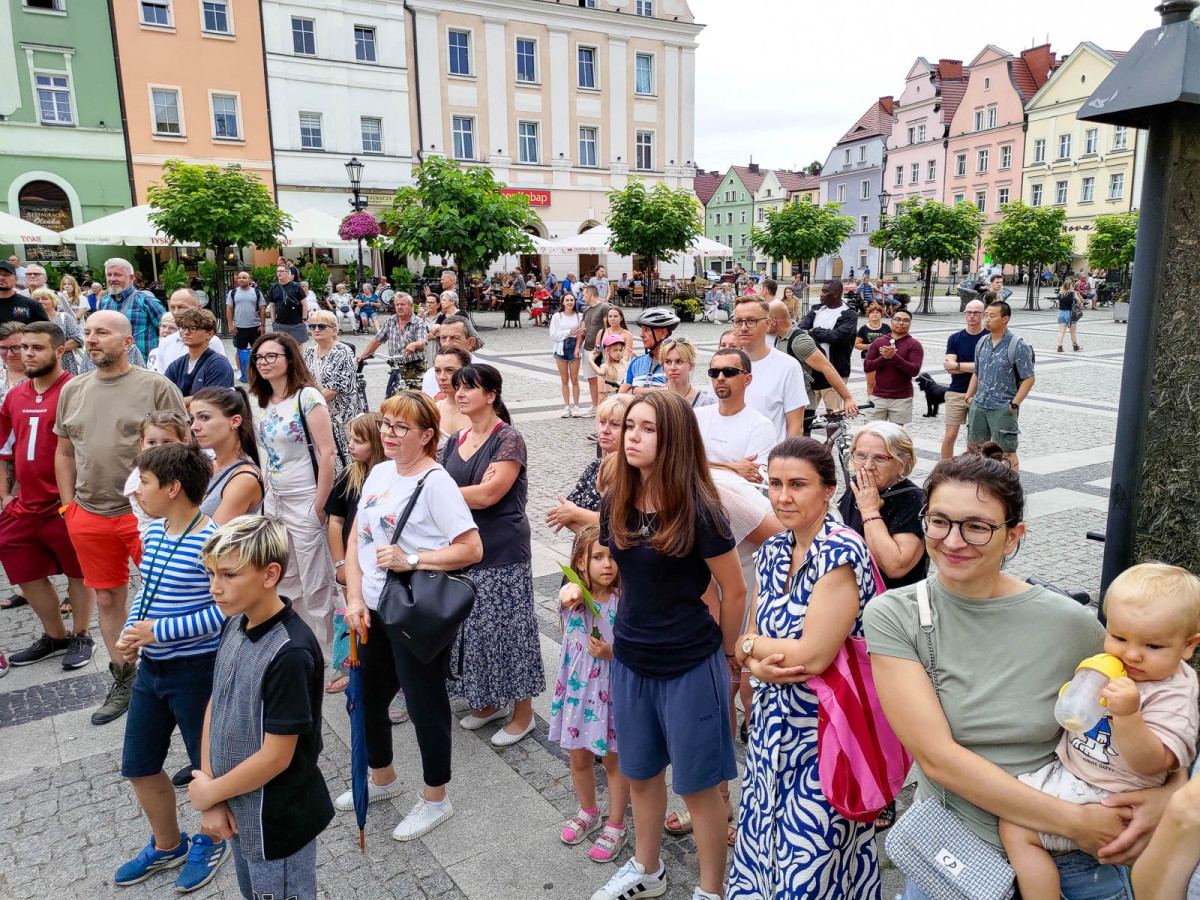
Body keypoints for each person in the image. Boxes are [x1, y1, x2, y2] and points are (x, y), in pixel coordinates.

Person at [865, 448, 1174, 900]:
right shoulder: (895, 614)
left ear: (1012, 537)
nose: (953, 541)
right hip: (955, 856)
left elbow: (1166, 714)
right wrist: (1076, 822)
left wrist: (1167, 797)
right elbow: (937, 758)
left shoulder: (1072, 625)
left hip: (1071, 863)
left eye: (977, 526)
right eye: (939, 521)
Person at [588, 391, 745, 900]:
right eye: (629, 425)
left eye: (646, 428)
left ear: (673, 438)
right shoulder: (617, 499)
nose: (631, 436)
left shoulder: (700, 510)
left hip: (690, 663)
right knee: (640, 773)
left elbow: (733, 589)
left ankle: (710, 891)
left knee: (699, 788)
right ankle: (646, 870)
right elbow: (621, 572)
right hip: (632, 658)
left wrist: (727, 659)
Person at [728, 436, 883, 899]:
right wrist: (755, 657)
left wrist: (753, 651)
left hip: (826, 733)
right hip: (771, 728)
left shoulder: (842, 551)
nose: (783, 496)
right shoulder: (774, 550)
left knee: (815, 856)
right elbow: (742, 642)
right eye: (775, 484)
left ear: (828, 491)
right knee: (764, 843)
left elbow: (813, 655)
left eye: (798, 484)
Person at [1000, 563, 1200, 900]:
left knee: (1017, 827)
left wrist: (1129, 716)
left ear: (1188, 646)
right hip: (1078, 776)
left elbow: (1155, 763)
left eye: (1153, 646)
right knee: (1012, 809)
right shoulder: (1117, 667)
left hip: (1111, 794)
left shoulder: (1173, 693)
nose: (1131, 654)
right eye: (1120, 637)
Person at [340, 392, 483, 840]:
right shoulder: (380, 471)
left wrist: (414, 558)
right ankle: (383, 779)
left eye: (401, 427)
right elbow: (356, 537)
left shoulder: (436, 481)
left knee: (424, 706)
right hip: (372, 608)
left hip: (411, 611)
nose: (389, 433)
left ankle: (436, 798)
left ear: (427, 436)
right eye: (385, 424)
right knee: (363, 697)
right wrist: (355, 598)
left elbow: (471, 548)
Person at [190, 516, 334, 900]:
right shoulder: (234, 624)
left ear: (270, 574)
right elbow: (215, 706)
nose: (215, 587)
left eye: (229, 575)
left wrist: (211, 793)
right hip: (238, 805)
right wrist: (213, 793)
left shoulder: (290, 653)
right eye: (211, 574)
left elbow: (276, 757)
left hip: (276, 821)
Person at [55, 311, 187, 725]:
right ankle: (125, 676)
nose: (92, 339)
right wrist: (66, 507)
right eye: (89, 332)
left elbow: (185, 448)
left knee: (168, 592)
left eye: (103, 333)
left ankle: (178, 675)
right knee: (109, 597)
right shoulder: (73, 390)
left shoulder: (156, 386)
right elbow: (63, 451)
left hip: (146, 516)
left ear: (127, 341)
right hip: (89, 513)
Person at [110, 443, 230, 893]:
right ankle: (167, 844)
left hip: (196, 670)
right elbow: (146, 591)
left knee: (207, 767)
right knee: (139, 764)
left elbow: (225, 610)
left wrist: (160, 632)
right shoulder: (155, 532)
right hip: (153, 671)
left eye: (143, 482)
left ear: (173, 488)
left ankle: (211, 838)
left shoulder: (211, 540)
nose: (137, 491)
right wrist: (130, 633)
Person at [440, 365, 544, 745]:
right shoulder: (456, 439)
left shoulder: (508, 439)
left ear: (491, 395)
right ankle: (488, 701)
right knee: (474, 628)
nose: (461, 392)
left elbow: (489, 494)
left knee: (510, 630)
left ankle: (523, 712)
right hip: (464, 545)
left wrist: (442, 492)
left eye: (470, 387)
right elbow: (440, 480)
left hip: (502, 548)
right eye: (458, 387)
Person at [0, 322, 94, 670]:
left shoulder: (77, 389)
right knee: (23, 566)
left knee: (79, 572)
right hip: (24, 506)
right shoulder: (15, 396)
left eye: (36, 348)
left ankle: (82, 634)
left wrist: (76, 500)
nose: (26, 354)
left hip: (67, 503)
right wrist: (5, 496)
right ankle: (56, 637)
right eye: (23, 347)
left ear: (58, 351)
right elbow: (4, 450)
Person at [248, 333, 339, 687]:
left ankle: (332, 655)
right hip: (277, 501)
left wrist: (320, 504)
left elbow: (327, 452)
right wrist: (267, 490)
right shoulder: (266, 400)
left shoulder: (308, 396)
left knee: (317, 577)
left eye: (272, 356)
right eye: (259, 357)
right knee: (285, 575)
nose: (265, 362)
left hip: (306, 499)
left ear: (289, 358)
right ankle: (301, 646)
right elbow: (270, 452)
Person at [555, 525, 631, 863]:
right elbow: (567, 594)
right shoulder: (575, 602)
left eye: (612, 557)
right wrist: (571, 587)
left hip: (611, 695)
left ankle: (616, 824)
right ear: (581, 564)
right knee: (578, 757)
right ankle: (588, 810)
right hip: (577, 695)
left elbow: (634, 650)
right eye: (597, 557)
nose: (607, 564)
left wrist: (610, 653)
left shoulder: (624, 603)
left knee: (614, 760)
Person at [839, 422, 928, 590]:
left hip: (890, 602)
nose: (867, 466)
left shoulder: (914, 500)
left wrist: (870, 511)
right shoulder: (859, 485)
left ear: (902, 463)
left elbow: (895, 566)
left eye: (880, 458)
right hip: (848, 591)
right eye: (860, 455)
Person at [545, 394, 632, 535]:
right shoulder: (595, 466)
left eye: (615, 424)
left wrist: (576, 513)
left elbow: (618, 524)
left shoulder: (632, 470)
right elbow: (565, 513)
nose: (605, 430)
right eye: (602, 422)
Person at [965, 299, 1035, 470]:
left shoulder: (1017, 345)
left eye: (992, 316)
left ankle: (1010, 489)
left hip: (1003, 407)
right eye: (986, 315)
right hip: (980, 405)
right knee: (976, 451)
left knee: (1007, 452)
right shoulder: (982, 342)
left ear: (1005, 318)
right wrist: (969, 397)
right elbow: (977, 372)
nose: (986, 319)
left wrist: (1014, 404)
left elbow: (1029, 378)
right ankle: (980, 485)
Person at [693, 348, 778, 486]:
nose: (720, 377)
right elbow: (681, 465)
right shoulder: (697, 416)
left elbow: (751, 480)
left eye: (729, 372)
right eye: (714, 373)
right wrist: (731, 468)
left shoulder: (761, 426)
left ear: (747, 379)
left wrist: (702, 466)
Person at [769, 300, 857, 430]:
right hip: (787, 402)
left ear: (773, 321)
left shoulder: (799, 341)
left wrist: (848, 398)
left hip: (802, 406)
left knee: (798, 446)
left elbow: (827, 368)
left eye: (765, 320)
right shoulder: (780, 338)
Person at [732, 297, 808, 441]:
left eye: (751, 321)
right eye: (738, 321)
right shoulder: (724, 366)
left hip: (769, 459)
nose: (743, 327)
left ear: (768, 324)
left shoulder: (788, 367)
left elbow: (795, 427)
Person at [190, 386, 263, 524]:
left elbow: (211, 537)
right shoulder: (208, 464)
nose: (194, 426)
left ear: (235, 421)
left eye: (204, 417)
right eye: (192, 418)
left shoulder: (244, 478)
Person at [302, 310, 360, 467]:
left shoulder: (343, 352)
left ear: (334, 330)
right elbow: (304, 382)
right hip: (319, 415)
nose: (316, 330)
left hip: (341, 417)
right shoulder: (308, 352)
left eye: (321, 326)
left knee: (345, 463)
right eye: (312, 326)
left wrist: (304, 406)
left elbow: (334, 390)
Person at [798, 281, 858, 417]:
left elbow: (838, 336)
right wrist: (823, 333)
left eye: (825, 291)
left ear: (836, 293)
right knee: (804, 416)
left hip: (834, 372)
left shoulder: (848, 314)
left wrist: (814, 331)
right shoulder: (816, 310)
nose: (821, 294)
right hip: (811, 372)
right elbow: (801, 330)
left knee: (834, 416)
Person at [356, 292, 427, 392]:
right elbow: (377, 340)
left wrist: (414, 344)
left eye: (402, 304)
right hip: (396, 366)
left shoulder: (418, 322)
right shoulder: (391, 321)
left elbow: (422, 341)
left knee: (414, 398)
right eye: (397, 305)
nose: (399, 307)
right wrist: (363, 356)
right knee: (391, 399)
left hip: (414, 366)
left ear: (411, 306)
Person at [941, 299, 985, 459]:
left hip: (980, 394)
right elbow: (949, 368)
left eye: (976, 313)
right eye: (969, 312)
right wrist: (972, 366)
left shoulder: (988, 337)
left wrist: (958, 365)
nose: (972, 316)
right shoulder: (955, 338)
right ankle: (944, 469)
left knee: (977, 441)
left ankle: (976, 470)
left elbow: (985, 367)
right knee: (949, 436)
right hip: (956, 392)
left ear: (983, 315)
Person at [864, 308, 923, 424]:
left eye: (905, 320)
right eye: (897, 319)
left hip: (901, 398)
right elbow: (867, 366)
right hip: (878, 395)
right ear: (891, 321)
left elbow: (914, 370)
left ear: (910, 324)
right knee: (871, 432)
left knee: (895, 437)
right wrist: (883, 357)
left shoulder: (914, 345)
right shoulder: (879, 342)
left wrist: (894, 357)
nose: (901, 323)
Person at [99, 258, 165, 361]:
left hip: (142, 366)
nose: (112, 279)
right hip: (112, 364)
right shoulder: (104, 302)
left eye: (117, 275)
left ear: (131, 278)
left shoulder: (146, 301)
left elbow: (168, 331)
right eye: (109, 275)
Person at [165, 307, 234, 402]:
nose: (186, 332)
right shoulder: (176, 365)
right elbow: (165, 399)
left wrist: (180, 403)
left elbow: (212, 402)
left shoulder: (218, 364)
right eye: (183, 328)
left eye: (193, 328)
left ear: (209, 334)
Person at [154, 289, 227, 377]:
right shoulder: (166, 342)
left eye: (182, 307)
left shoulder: (211, 342)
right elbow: (162, 379)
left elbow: (219, 374)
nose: (176, 312)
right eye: (172, 307)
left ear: (198, 308)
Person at [419, 315, 482, 397]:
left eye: (455, 338)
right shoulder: (430, 374)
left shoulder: (483, 373)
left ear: (470, 343)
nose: (447, 344)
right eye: (443, 338)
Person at [621, 306, 678, 394]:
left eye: (647, 330)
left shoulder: (674, 365)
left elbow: (673, 393)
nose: (641, 335)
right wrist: (657, 390)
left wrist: (634, 390)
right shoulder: (636, 362)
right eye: (642, 330)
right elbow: (622, 393)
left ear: (663, 333)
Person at [31, 287, 84, 374]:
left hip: (65, 363)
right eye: (36, 299)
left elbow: (77, 339)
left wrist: (53, 352)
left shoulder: (65, 317)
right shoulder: (31, 320)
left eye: (44, 298)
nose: (40, 301)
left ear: (53, 301)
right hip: (39, 363)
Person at [226, 270, 266, 382]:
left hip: (255, 326)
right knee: (239, 350)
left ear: (249, 279)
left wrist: (262, 325)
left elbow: (262, 309)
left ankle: (257, 371)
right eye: (239, 278)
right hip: (239, 327)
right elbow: (229, 309)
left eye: (244, 277)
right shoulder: (233, 293)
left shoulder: (257, 292)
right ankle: (240, 371)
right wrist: (231, 325)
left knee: (257, 350)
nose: (241, 279)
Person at [579, 284, 613, 414]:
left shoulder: (604, 307)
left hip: (599, 349)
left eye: (584, 294)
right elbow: (583, 329)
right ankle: (595, 406)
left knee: (603, 379)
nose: (583, 297)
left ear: (590, 294)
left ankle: (603, 406)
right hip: (588, 348)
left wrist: (603, 347)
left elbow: (608, 328)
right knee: (591, 378)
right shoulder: (587, 310)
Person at [431, 348, 472, 449]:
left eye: (450, 370)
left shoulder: (482, 410)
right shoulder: (432, 410)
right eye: (437, 371)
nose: (442, 377)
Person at [550, 292, 584, 417]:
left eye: (572, 300)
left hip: (574, 347)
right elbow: (553, 335)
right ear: (563, 302)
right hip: (561, 347)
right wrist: (568, 332)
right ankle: (566, 405)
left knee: (575, 379)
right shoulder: (557, 317)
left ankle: (576, 405)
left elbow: (581, 333)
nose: (570, 302)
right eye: (567, 300)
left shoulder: (579, 316)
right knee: (564, 379)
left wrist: (577, 346)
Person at [660, 337, 716, 409]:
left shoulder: (705, 403)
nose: (672, 367)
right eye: (668, 362)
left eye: (679, 362)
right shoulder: (655, 400)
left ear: (691, 365)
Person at [854, 304, 891, 398]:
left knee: (884, 382)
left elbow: (893, 341)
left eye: (877, 312)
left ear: (881, 314)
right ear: (868, 314)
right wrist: (869, 346)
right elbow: (857, 344)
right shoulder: (863, 329)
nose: (875, 314)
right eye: (872, 312)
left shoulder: (886, 328)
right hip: (869, 358)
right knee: (871, 383)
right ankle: (871, 402)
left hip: (884, 359)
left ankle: (883, 400)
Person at [267, 264, 309, 346]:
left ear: (288, 273)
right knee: (281, 346)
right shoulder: (273, 288)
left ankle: (297, 359)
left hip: (296, 323)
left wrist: (304, 319)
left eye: (282, 271)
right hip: (280, 323)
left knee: (298, 346)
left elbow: (304, 304)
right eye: (278, 271)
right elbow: (272, 305)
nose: (279, 273)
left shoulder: (296, 286)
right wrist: (273, 321)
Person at [0, 258, 49, 325]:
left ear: (16, 278)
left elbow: (46, 330)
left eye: (6, 274)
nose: (1, 277)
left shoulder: (30, 305)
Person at [588, 333, 630, 402]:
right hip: (612, 398)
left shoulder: (625, 364)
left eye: (620, 350)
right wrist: (590, 360)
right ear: (608, 352)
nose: (618, 353)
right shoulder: (605, 366)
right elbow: (599, 372)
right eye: (615, 350)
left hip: (624, 396)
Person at [1057, 281, 1083, 353]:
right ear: (1070, 286)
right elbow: (1079, 302)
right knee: (1073, 332)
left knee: (1061, 332)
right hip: (1070, 313)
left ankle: (1059, 347)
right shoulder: (1073, 294)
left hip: (1061, 313)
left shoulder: (1060, 293)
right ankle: (1075, 346)